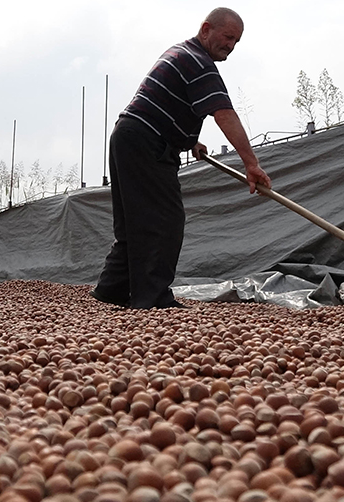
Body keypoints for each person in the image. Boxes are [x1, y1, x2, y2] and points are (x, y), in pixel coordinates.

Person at [91, 7, 271, 309]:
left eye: (236, 41)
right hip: (145, 142)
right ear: (206, 30)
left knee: (133, 223)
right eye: (227, 37)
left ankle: (112, 290)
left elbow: (167, 104)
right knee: (164, 220)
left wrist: (190, 141)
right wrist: (251, 164)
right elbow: (224, 114)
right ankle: (153, 300)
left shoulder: (181, 53)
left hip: (129, 135)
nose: (231, 46)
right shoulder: (199, 63)